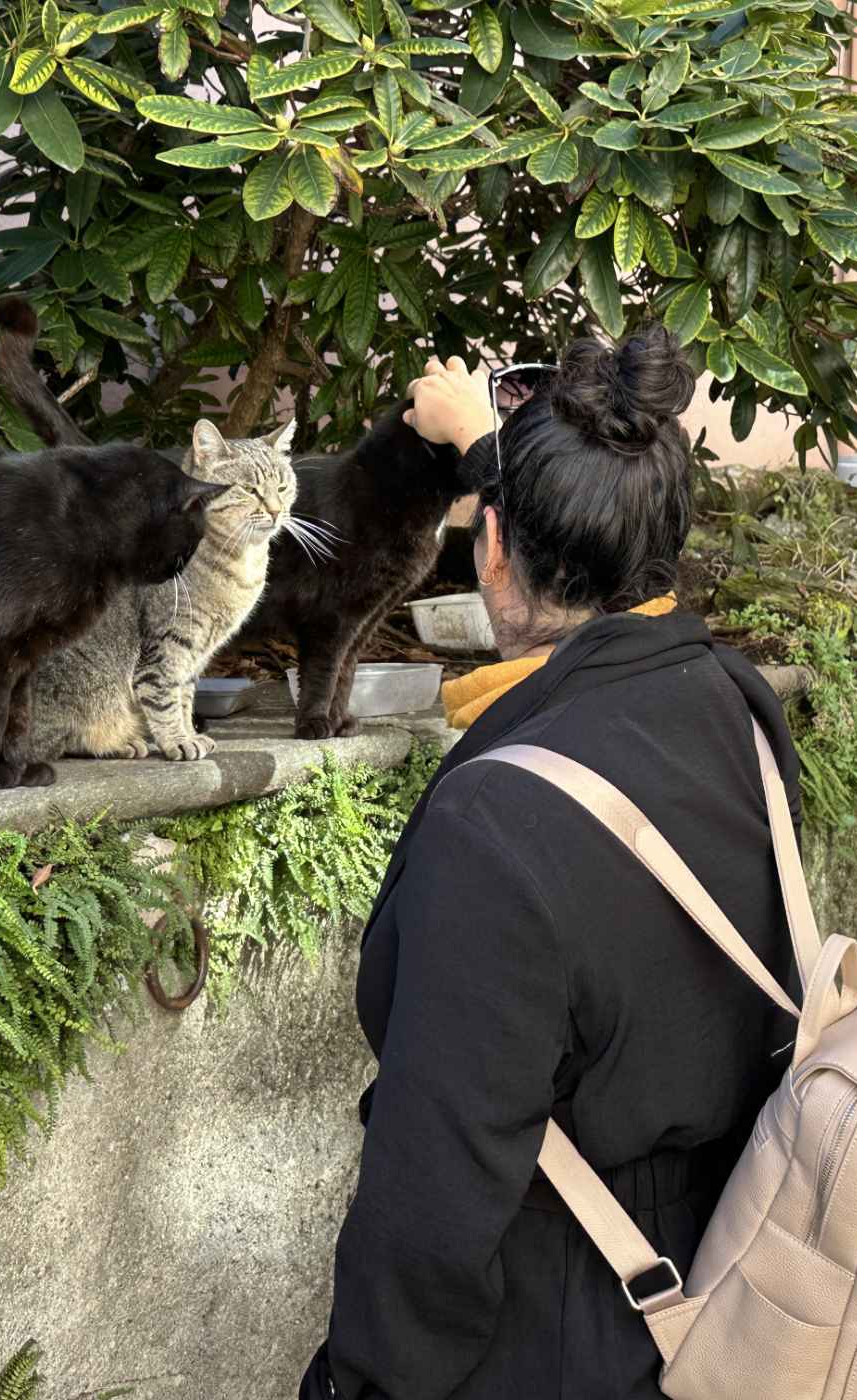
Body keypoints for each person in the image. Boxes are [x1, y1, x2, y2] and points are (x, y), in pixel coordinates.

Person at [299, 325, 802, 1400]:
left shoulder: (498, 819)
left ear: (490, 547)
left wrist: (358, 1381)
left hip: (556, 1325)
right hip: (734, 1275)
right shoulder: (736, 707)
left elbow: (435, 1201)